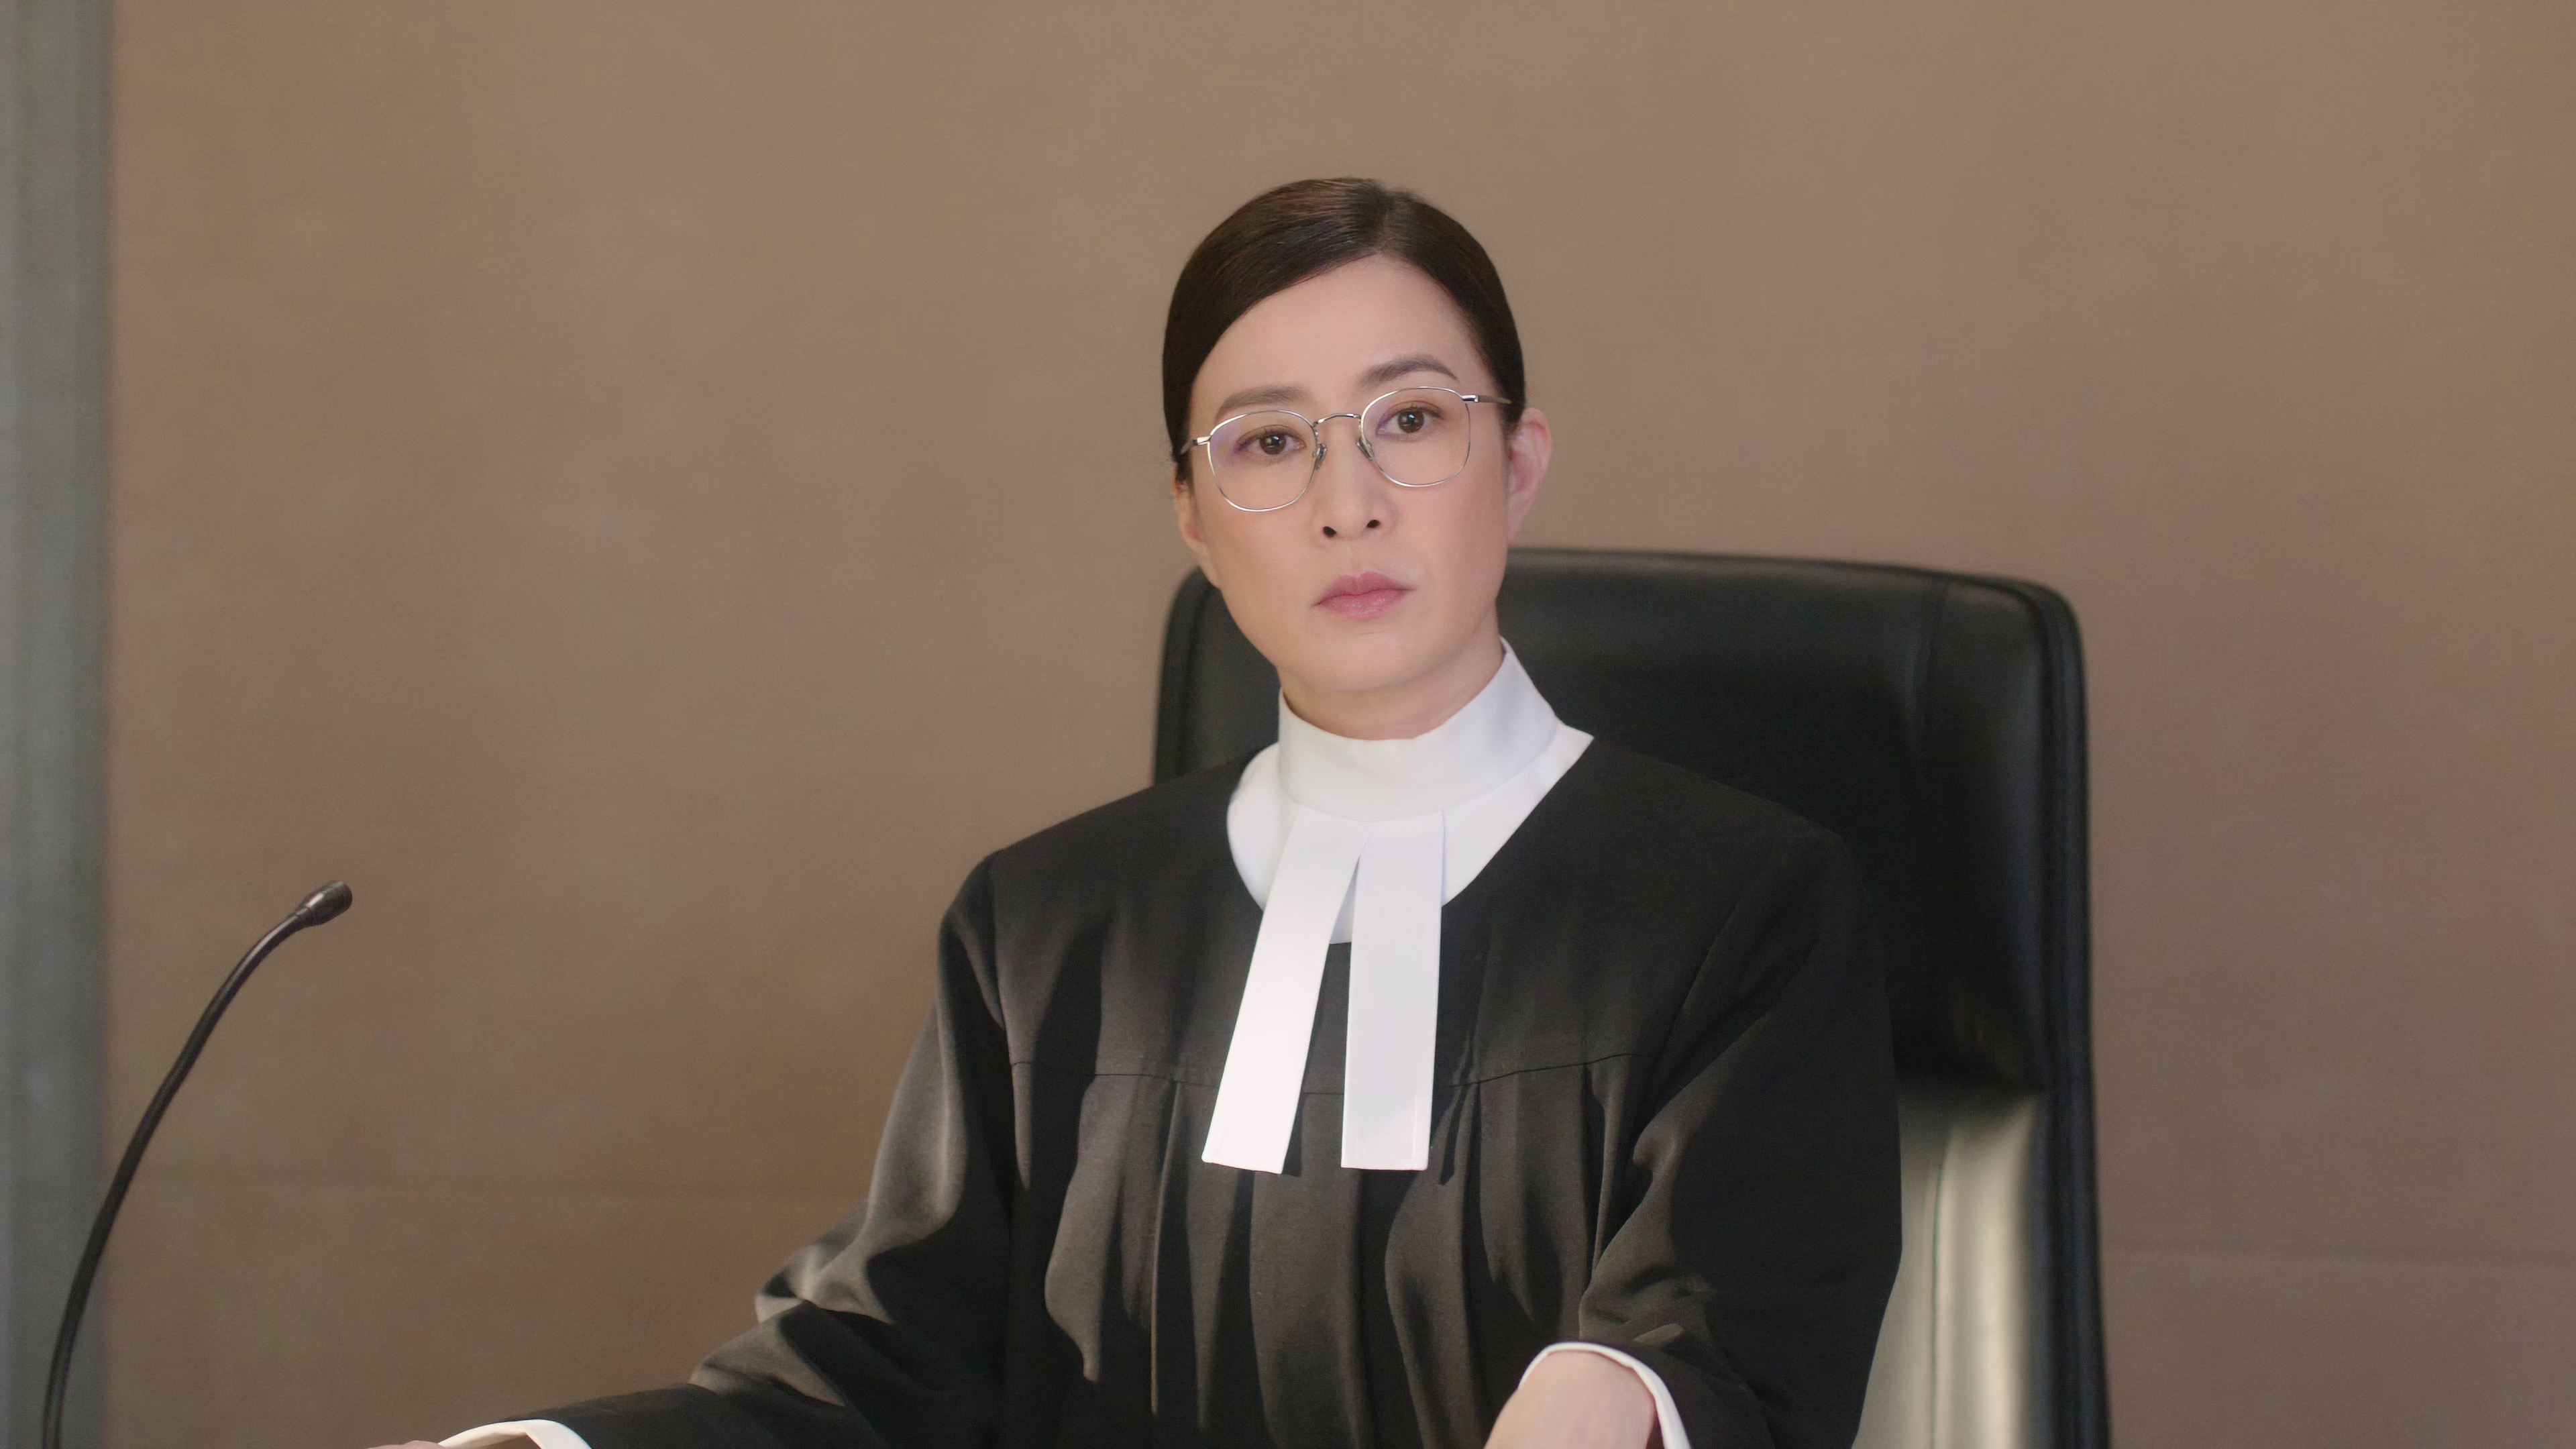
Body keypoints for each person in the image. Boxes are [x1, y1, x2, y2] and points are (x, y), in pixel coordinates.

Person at [384, 178, 1900, 1449]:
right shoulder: (1047, 931)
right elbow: (873, 1372)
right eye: (1268, 443)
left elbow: (1728, 1343)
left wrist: (1617, 1391)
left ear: (1518, 465)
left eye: (1410, 420)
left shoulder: (1744, 907)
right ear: (1192, 517)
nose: (1348, 502)